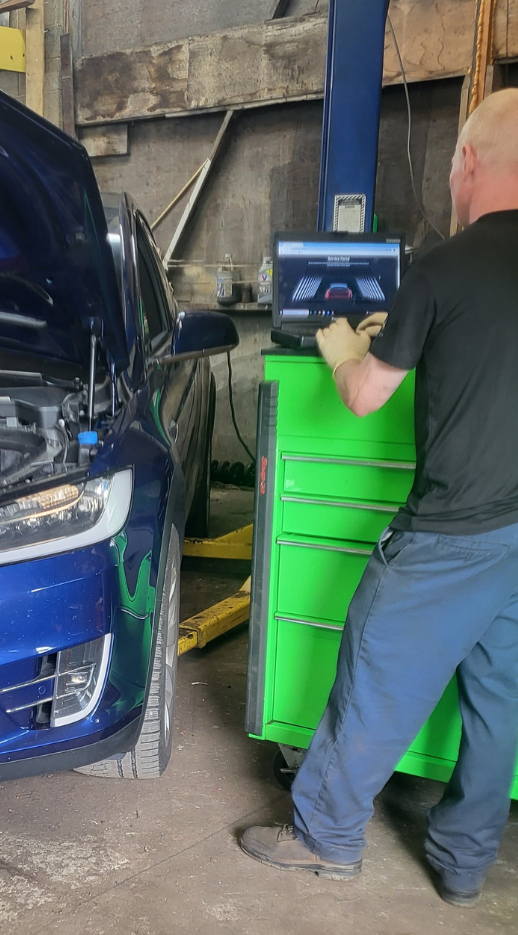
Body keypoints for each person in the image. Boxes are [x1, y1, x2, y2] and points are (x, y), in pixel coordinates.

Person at [240, 88, 518, 908]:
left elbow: (365, 396)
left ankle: (323, 838)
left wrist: (338, 347)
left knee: (373, 668)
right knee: (497, 700)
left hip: (451, 529)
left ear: (465, 161)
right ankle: (463, 863)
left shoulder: (442, 266)